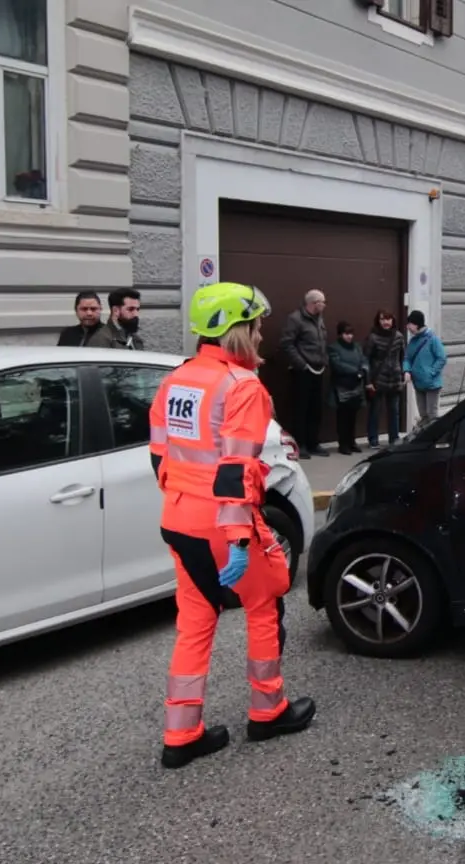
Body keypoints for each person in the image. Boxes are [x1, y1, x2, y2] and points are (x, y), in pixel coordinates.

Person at [148, 281, 316, 769]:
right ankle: (269, 711)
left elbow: (159, 454)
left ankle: (181, 735)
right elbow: (236, 471)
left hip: (179, 517)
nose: (261, 335)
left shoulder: (177, 379)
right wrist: (241, 537)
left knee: (195, 623)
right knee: (264, 604)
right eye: (256, 326)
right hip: (224, 524)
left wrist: (183, 499)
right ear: (234, 330)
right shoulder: (243, 388)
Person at [280, 289, 329, 458]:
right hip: (303, 371)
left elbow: (322, 341)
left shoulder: (319, 319)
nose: (324, 305)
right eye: (322, 302)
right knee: (301, 409)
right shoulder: (296, 319)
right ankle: (300, 444)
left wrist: (325, 359)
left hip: (318, 369)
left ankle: (313, 443)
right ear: (313, 303)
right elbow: (287, 344)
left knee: (316, 409)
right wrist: (301, 364)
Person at [364, 310, 406, 447]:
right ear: (378, 321)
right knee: (375, 411)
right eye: (382, 319)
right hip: (378, 379)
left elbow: (403, 357)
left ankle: (394, 438)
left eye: (388, 319)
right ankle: (373, 439)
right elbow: (366, 360)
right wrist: (368, 381)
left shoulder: (399, 336)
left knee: (394, 411)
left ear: (393, 320)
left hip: (394, 378)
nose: (386, 322)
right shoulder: (373, 337)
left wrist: (403, 374)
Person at [328, 321, 368, 455]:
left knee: (353, 416)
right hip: (342, 387)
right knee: (343, 417)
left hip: (356, 386)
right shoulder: (334, 347)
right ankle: (343, 444)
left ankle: (352, 442)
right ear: (340, 334)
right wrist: (355, 371)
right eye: (346, 334)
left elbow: (363, 360)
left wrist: (363, 369)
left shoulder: (357, 346)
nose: (349, 336)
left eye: (351, 334)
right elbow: (337, 364)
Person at [403, 310, 446, 423]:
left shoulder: (432, 339)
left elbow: (441, 358)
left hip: (432, 384)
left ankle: (432, 438)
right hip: (418, 383)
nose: (407, 327)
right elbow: (407, 358)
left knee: (432, 415)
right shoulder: (412, 341)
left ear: (416, 324)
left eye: (409, 324)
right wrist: (407, 371)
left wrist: (431, 373)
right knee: (423, 415)